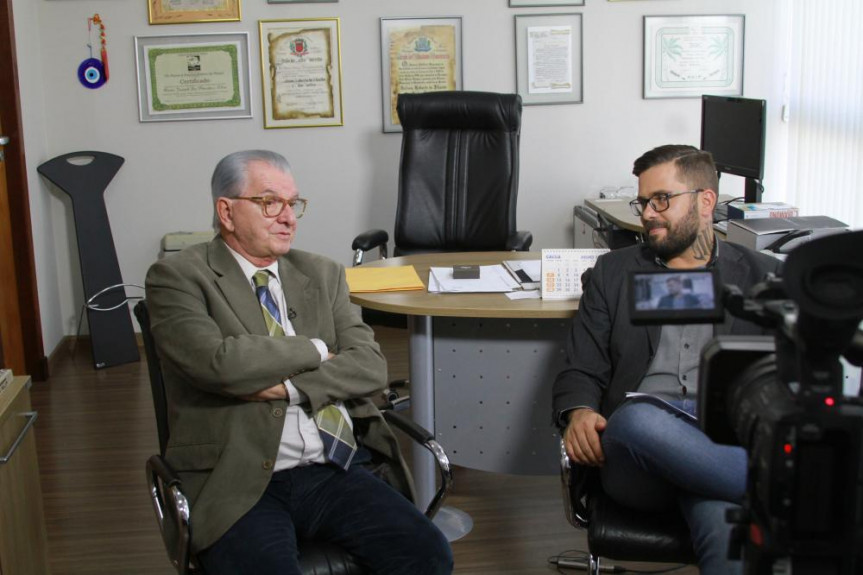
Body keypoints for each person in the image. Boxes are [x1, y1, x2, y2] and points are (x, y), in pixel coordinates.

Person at [145, 150, 453, 575]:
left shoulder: (322, 273)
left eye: (293, 204)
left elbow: (369, 366)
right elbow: (218, 363)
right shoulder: (178, 277)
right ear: (227, 211)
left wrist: (288, 388)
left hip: (335, 467)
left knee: (428, 554)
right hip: (239, 477)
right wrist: (314, 350)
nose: (288, 217)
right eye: (270, 202)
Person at [552, 145, 782, 575]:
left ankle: (746, 484)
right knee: (637, 419)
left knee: (720, 517)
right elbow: (581, 366)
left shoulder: (762, 276)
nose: (648, 214)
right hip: (636, 455)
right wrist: (579, 411)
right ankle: (784, 487)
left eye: (662, 200)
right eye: (643, 202)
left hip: (721, 442)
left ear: (706, 201)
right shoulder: (614, 273)